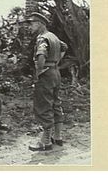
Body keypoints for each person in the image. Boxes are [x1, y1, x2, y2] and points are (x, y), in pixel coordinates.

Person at [27, 12, 68, 151]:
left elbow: (41, 55)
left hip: (46, 74)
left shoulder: (42, 38)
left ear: (40, 24)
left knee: (44, 106)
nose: (30, 27)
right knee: (56, 103)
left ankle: (45, 142)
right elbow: (64, 47)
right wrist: (56, 61)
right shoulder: (53, 36)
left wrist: (39, 71)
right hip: (56, 72)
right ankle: (58, 137)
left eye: (32, 24)